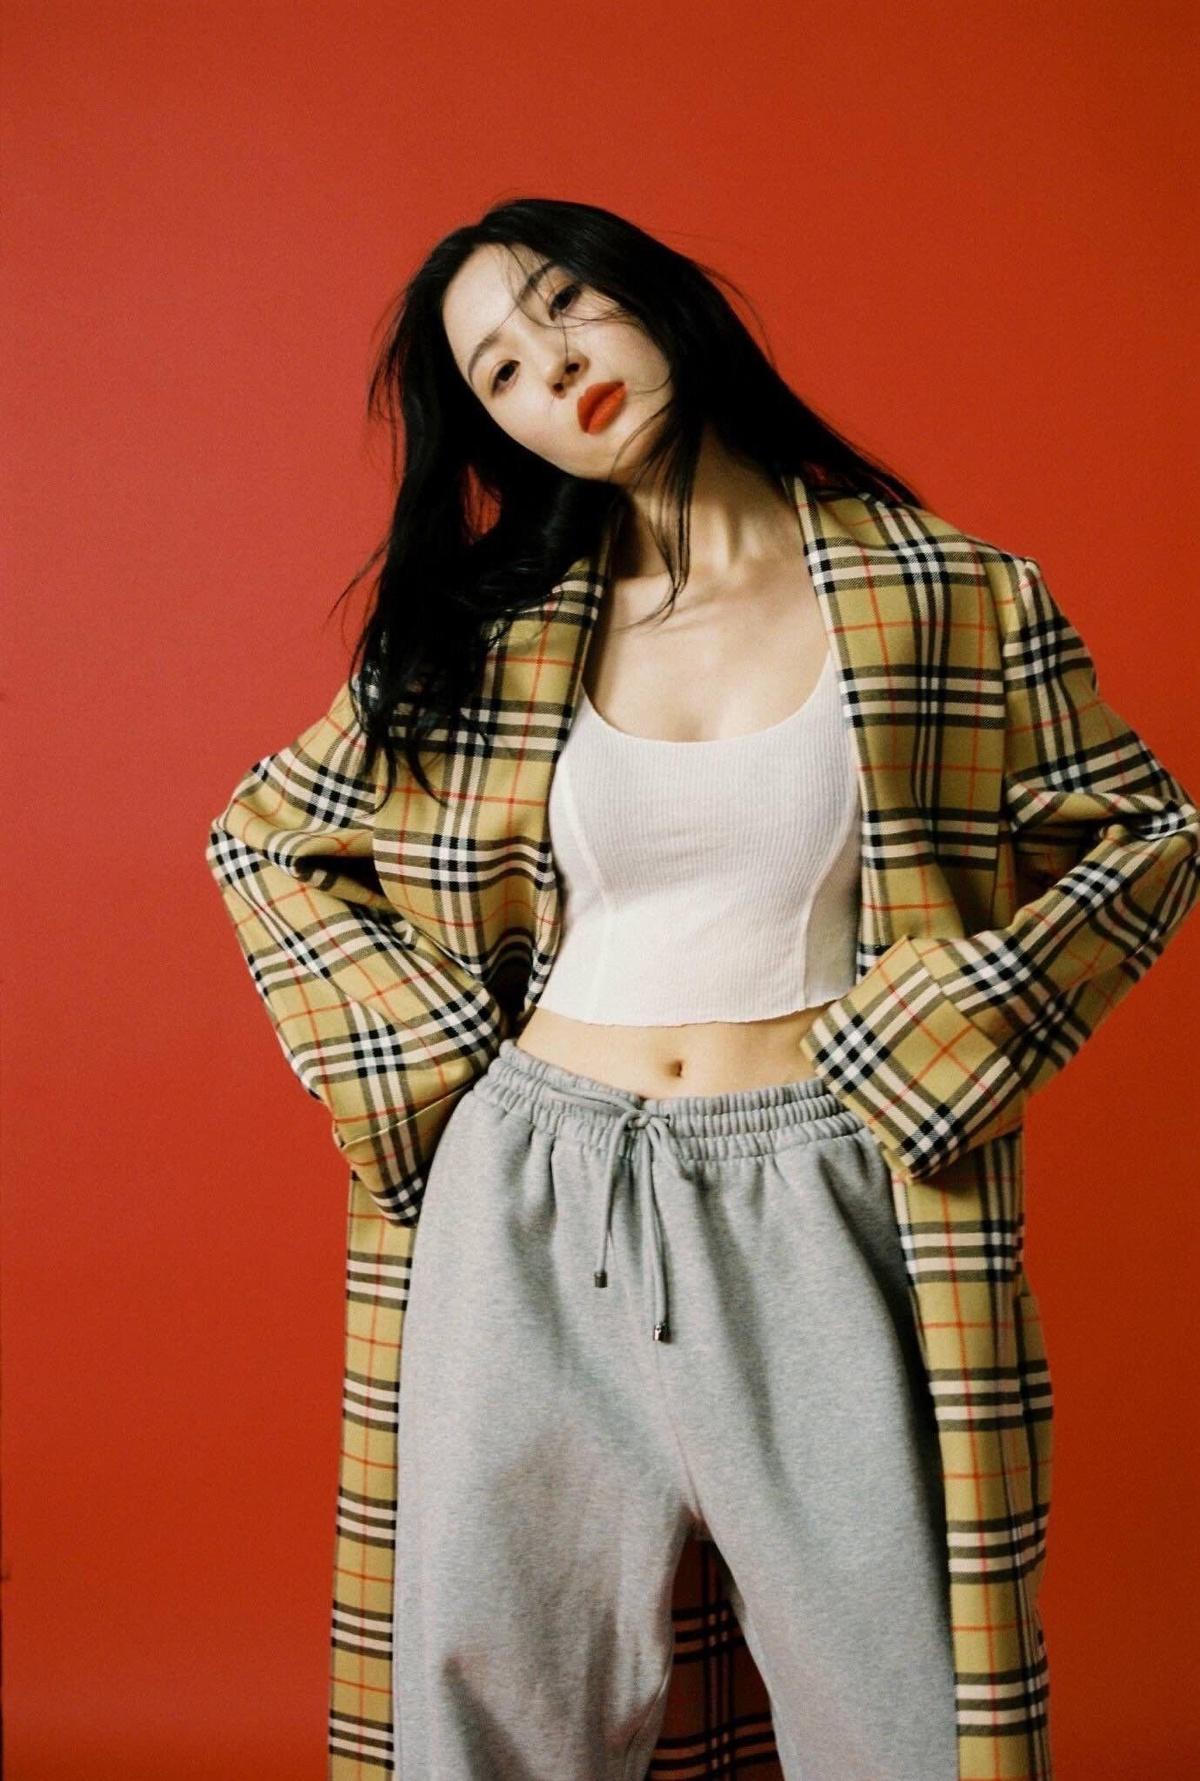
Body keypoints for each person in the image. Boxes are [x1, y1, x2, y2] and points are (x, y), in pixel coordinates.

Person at [205, 196, 1200, 1781]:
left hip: (821, 1188)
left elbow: (1145, 831)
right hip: (529, 1202)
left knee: (900, 1708)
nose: (552, 367)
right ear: (498, 426)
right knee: (495, 1705)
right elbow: (265, 837)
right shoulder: (493, 633)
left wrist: (941, 1039)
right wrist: (435, 1066)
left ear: (654, 294)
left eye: (564, 305)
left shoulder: (947, 595)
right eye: (501, 369)